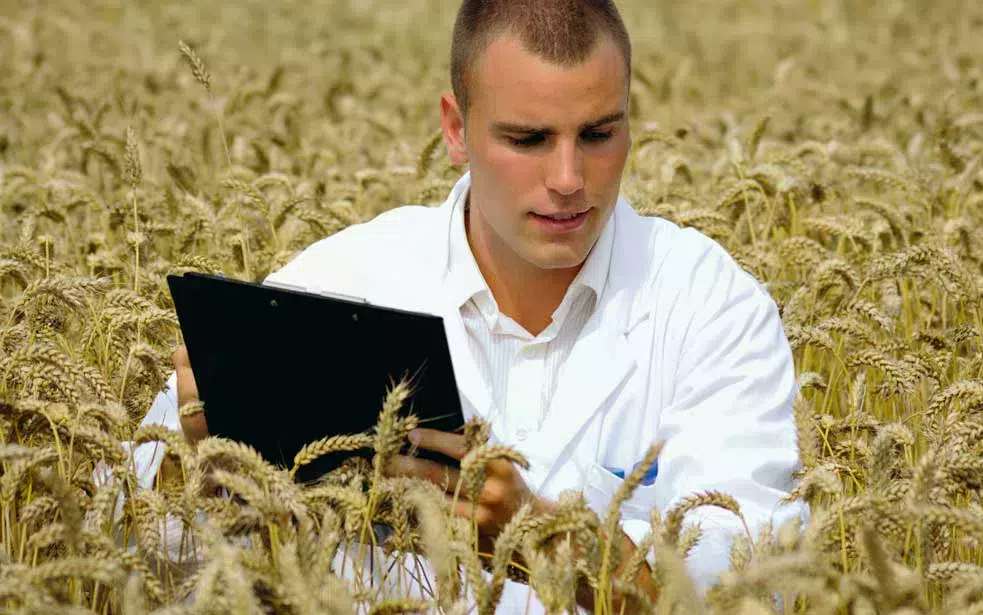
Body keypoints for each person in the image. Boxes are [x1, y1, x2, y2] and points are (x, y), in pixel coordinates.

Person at [130, 0, 809, 612]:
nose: (569, 179)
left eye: (598, 134)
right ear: (455, 129)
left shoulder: (712, 306)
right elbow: (123, 542)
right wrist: (197, 463)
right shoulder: (336, 282)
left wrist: (544, 541)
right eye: (528, 139)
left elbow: (744, 590)